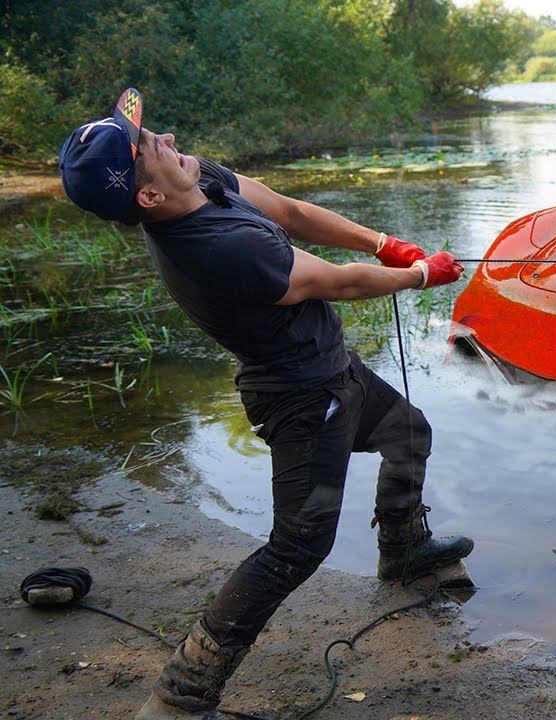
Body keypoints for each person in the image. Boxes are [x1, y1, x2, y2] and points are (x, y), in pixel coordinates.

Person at [57, 89, 475, 719]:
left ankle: (403, 551)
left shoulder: (200, 181)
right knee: (298, 545)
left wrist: (383, 241)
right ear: (147, 195)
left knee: (409, 433)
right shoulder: (219, 250)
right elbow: (331, 281)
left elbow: (290, 209)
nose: (165, 137)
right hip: (303, 400)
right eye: (150, 146)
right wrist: (419, 277)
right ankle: (182, 693)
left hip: (331, 369)